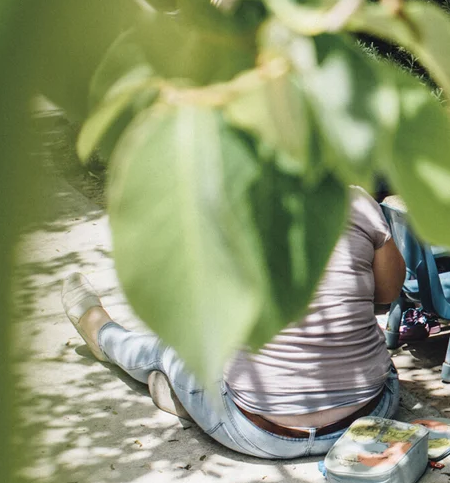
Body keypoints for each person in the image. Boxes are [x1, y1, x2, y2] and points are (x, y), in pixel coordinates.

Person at [61, 189, 404, 458]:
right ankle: (185, 399)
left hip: (259, 431)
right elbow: (387, 293)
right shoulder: (356, 201)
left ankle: (101, 332)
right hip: (369, 418)